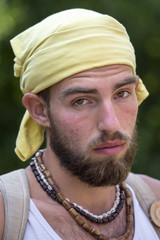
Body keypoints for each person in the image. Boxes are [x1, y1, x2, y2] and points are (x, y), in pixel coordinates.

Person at [0, 8, 160, 240]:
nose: (110, 123)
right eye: (81, 101)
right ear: (39, 110)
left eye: (122, 93)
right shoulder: (8, 217)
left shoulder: (154, 200)